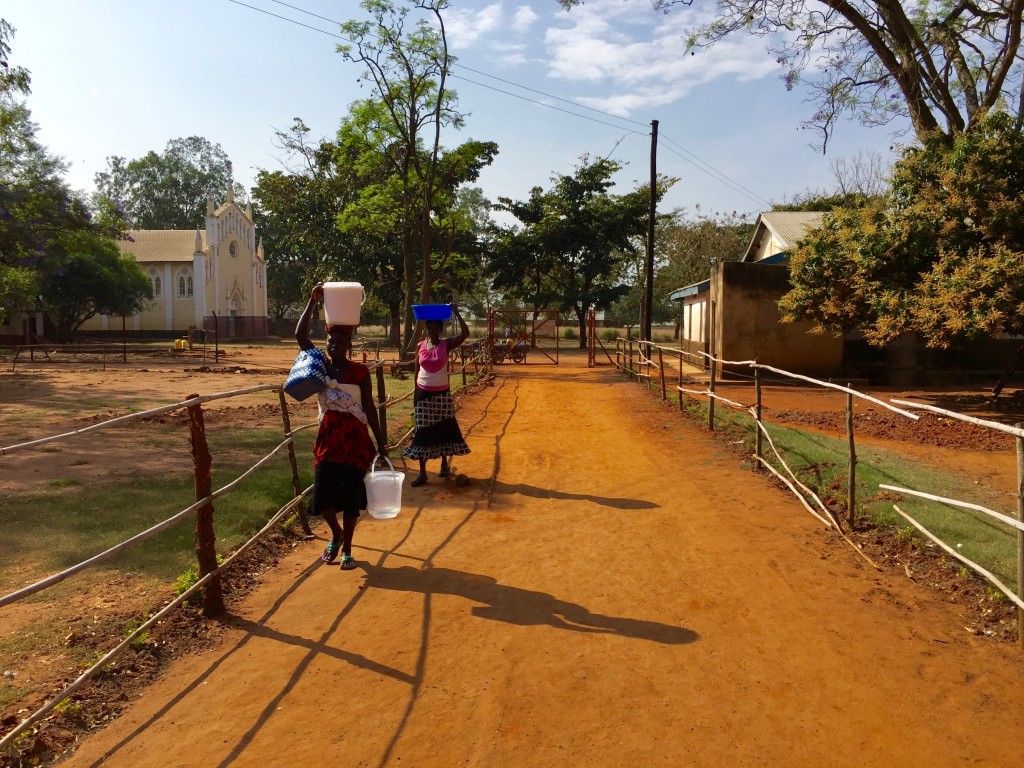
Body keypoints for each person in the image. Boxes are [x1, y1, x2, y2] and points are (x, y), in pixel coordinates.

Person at [296, 282, 387, 570]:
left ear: (348, 346)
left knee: (350, 499)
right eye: (330, 342)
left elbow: (369, 407)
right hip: (329, 442)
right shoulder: (319, 365)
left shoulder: (359, 372)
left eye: (340, 343)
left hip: (355, 443)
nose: (334, 346)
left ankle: (347, 548)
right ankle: (335, 533)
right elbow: (299, 335)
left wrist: (381, 441)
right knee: (323, 495)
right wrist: (312, 301)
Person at [404, 303, 471, 486]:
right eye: (429, 328)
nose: (432, 330)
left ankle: (443, 465)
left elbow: (465, 334)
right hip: (423, 393)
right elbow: (417, 371)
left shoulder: (446, 344)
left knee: (443, 428)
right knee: (422, 431)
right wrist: (415, 396)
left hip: (442, 394)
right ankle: (423, 472)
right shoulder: (421, 346)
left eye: (435, 328)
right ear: (426, 329)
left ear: (441, 329)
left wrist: (457, 313)